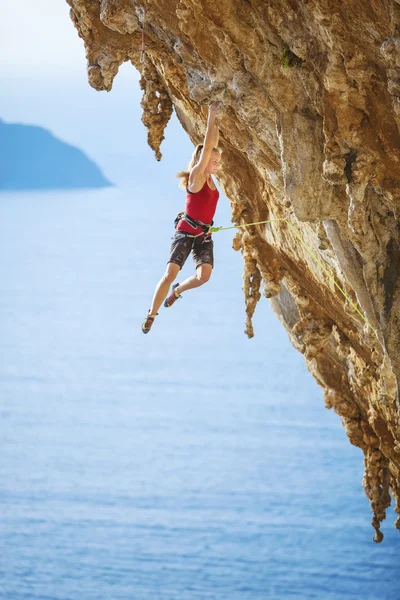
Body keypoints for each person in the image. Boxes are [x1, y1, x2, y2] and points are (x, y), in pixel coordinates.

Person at [142, 102, 222, 334]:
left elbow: (212, 144)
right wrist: (211, 114)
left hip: (203, 234)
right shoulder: (196, 177)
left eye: (218, 161)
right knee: (169, 273)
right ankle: (151, 314)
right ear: (203, 161)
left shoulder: (209, 178)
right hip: (186, 233)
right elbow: (207, 147)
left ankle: (177, 292)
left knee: (203, 276)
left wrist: (217, 120)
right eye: (214, 161)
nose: (217, 165)